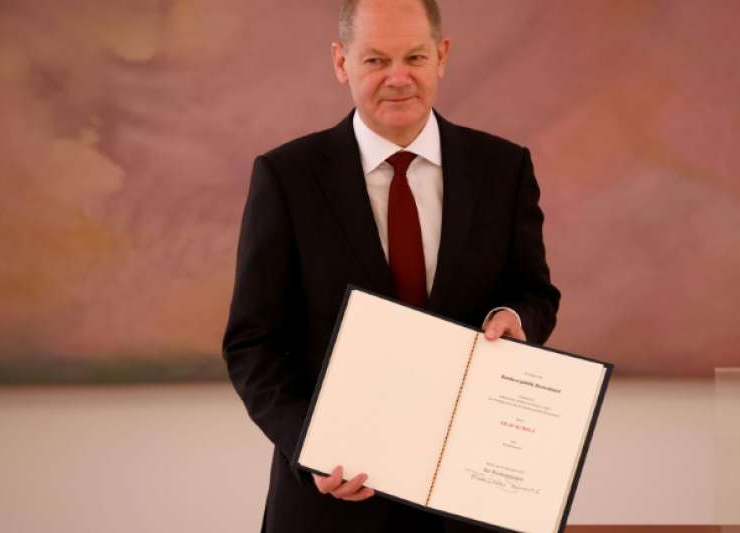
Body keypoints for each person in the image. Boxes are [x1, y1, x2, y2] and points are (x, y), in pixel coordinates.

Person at [222, 0, 560, 531]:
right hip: (331, 505)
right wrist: (310, 446)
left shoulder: (504, 168)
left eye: (415, 58)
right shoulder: (287, 177)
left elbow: (535, 295)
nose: (398, 78)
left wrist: (515, 319)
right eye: (376, 60)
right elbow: (252, 343)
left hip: (469, 501)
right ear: (342, 62)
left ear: (441, 57)